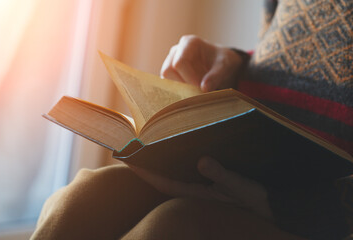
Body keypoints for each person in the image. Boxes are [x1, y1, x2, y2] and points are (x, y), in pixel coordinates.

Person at [31, 0, 353, 239]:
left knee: (171, 228)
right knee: (84, 198)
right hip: (253, 159)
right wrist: (238, 66)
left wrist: (300, 209)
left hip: (315, 205)